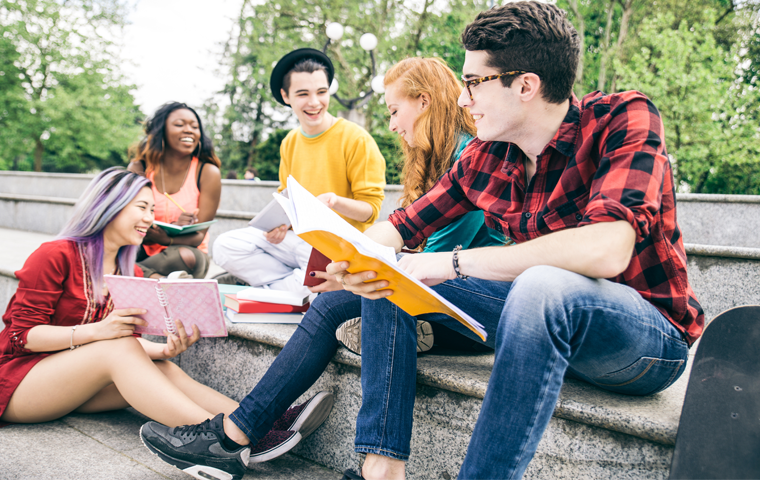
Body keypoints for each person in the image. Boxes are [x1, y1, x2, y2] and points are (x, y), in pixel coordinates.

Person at [141, 2, 705, 480]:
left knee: (541, 286)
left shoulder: (623, 118)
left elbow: (605, 250)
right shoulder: (491, 154)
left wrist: (448, 265)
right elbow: (402, 227)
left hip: (640, 342)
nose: (464, 98)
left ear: (526, 85)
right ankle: (369, 465)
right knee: (388, 277)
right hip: (530, 322)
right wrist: (352, 258)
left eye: (475, 82)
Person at [0, 168, 332, 466]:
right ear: (110, 207)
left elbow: (118, 346)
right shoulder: (55, 254)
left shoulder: (124, 268)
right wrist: (99, 330)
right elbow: (22, 336)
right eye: (142, 207)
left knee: (162, 367)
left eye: (152, 209)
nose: (151, 218)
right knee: (116, 348)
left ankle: (257, 421)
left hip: (70, 380)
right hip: (17, 385)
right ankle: (225, 442)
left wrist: (164, 351)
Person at [335, 56, 509, 355]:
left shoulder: (475, 157)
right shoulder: (444, 160)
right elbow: (406, 224)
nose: (391, 125)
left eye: (394, 112)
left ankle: (424, 336)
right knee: (339, 302)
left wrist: (369, 263)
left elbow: (439, 253)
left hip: (483, 291)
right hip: (452, 279)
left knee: (381, 281)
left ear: (423, 101)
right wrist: (354, 260)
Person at [212, 48, 386, 298]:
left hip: (335, 247)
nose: (314, 102)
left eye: (322, 92)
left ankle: (278, 290)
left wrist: (334, 202)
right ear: (286, 96)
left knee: (317, 278)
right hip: (297, 240)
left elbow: (371, 210)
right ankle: (291, 290)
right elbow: (287, 196)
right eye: (303, 94)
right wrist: (280, 224)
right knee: (224, 246)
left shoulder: (356, 139)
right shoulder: (290, 141)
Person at [128, 102, 222, 279]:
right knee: (113, 248)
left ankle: (128, 273)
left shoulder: (207, 173)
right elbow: (126, 224)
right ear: (161, 131)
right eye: (179, 125)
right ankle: (157, 279)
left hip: (184, 254)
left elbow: (198, 237)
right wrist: (162, 230)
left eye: (194, 127)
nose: (189, 130)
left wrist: (168, 238)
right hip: (141, 248)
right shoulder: (139, 168)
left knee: (185, 256)